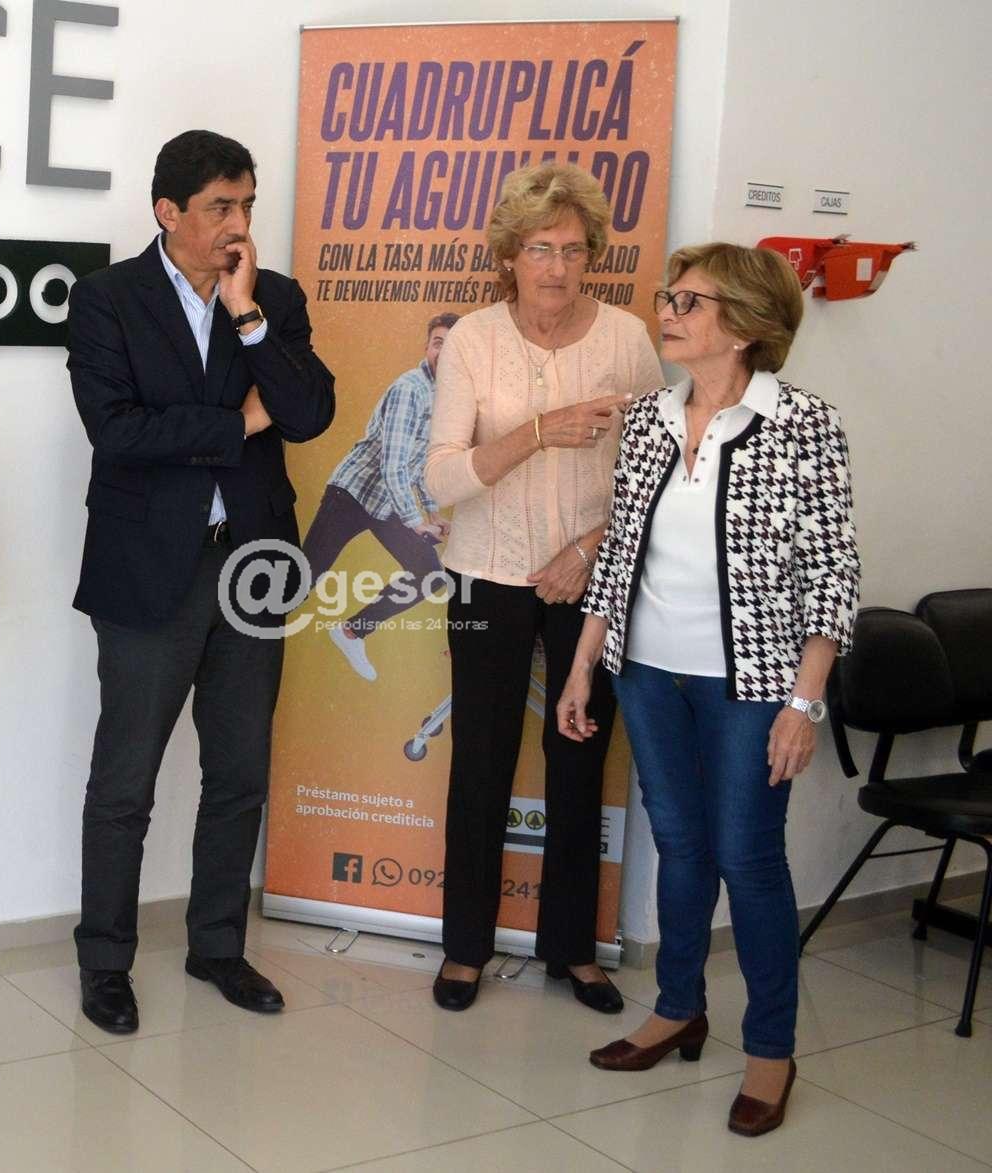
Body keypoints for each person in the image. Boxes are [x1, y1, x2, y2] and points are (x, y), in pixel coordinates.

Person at [559, 242, 860, 1137]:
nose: (668, 311)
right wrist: (584, 663)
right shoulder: (652, 418)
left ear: (746, 324)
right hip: (650, 674)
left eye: (689, 301)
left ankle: (770, 1050)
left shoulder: (804, 424)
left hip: (754, 684)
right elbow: (622, 551)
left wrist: (804, 703)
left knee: (748, 856)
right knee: (681, 844)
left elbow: (832, 574)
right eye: (669, 296)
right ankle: (678, 1007)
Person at [66, 130, 335, 1033]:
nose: (239, 223)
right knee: (125, 783)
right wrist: (239, 423)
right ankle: (106, 961)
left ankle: (218, 944)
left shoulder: (274, 298)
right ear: (168, 211)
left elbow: (310, 411)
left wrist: (248, 316)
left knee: (239, 772)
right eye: (222, 205)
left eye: (248, 204)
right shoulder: (107, 299)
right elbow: (118, 430)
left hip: (253, 566)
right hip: (148, 572)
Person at [424, 162, 663, 1015]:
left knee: (581, 757)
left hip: (589, 579)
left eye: (572, 249)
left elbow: (655, 476)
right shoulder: (472, 339)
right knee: (481, 762)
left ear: (593, 254)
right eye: (539, 249)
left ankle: (574, 950)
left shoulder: (627, 340)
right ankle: (465, 948)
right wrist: (538, 431)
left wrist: (592, 550)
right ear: (509, 257)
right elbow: (441, 478)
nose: (557, 267)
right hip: (486, 575)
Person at [304, 312, 458, 682]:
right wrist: (416, 521)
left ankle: (351, 632)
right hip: (353, 493)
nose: (444, 352)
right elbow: (393, 466)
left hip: (387, 502)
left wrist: (433, 513)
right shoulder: (411, 390)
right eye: (438, 343)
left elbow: (417, 463)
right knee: (304, 579)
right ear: (427, 347)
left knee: (428, 574)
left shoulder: (446, 397)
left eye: (453, 346)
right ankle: (248, 635)